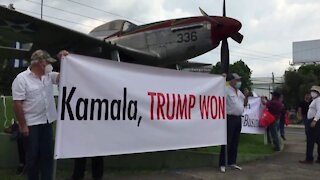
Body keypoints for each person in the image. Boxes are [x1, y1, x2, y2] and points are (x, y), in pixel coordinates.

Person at [12, 49, 59, 180]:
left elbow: (64, 76)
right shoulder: (21, 79)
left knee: (47, 155)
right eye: (48, 62)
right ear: (41, 63)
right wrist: (23, 126)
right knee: (32, 157)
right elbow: (17, 104)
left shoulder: (49, 76)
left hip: (47, 121)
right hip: (31, 123)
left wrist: (65, 59)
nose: (50, 65)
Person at [219, 73, 249, 173]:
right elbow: (218, 88)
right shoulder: (226, 90)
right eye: (237, 80)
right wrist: (222, 78)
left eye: (239, 80)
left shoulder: (239, 92)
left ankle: (232, 162)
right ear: (231, 81)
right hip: (230, 118)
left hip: (238, 119)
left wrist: (247, 96)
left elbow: (244, 104)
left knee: (235, 141)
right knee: (228, 141)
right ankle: (222, 163)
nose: (238, 82)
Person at [299, 86, 320, 164]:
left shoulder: (318, 100)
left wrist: (314, 120)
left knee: (310, 140)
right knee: (318, 140)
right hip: (314, 121)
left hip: (314, 121)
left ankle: (309, 159)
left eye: (314, 91)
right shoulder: (315, 100)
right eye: (312, 91)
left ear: (318, 93)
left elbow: (319, 111)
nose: (312, 92)